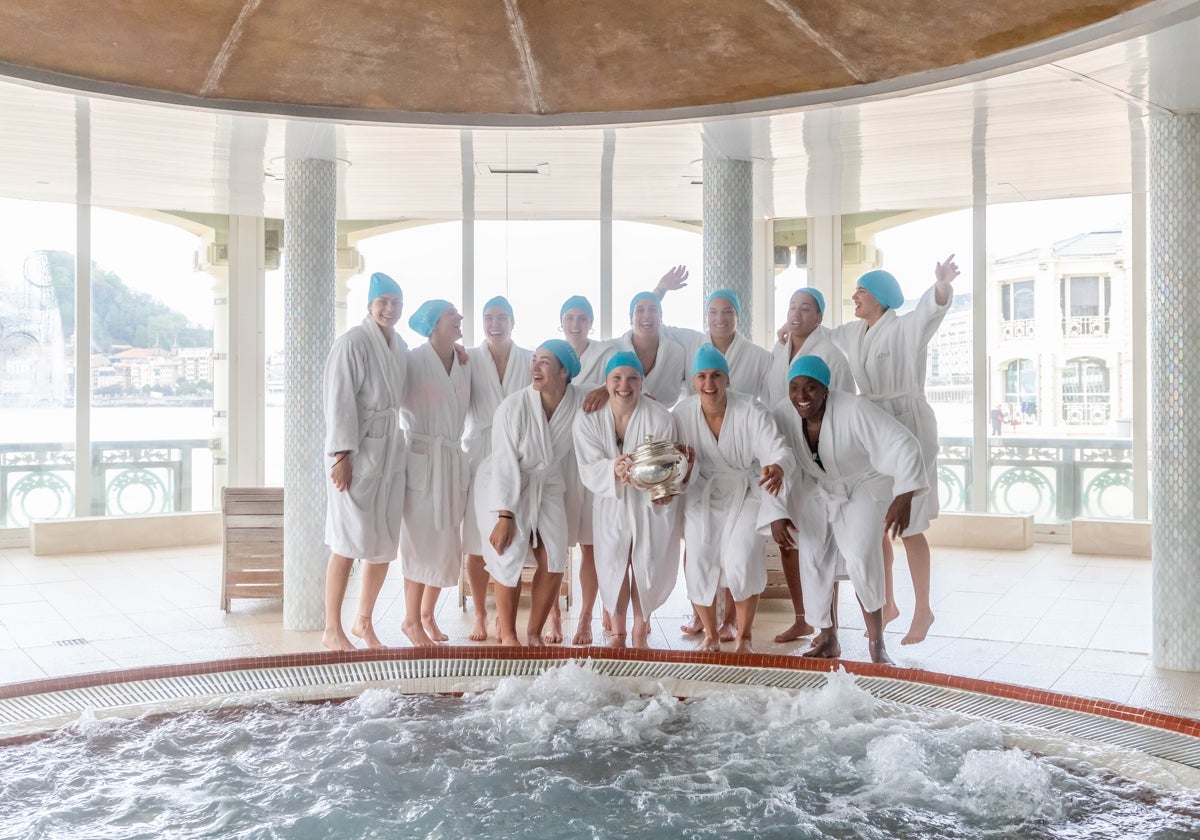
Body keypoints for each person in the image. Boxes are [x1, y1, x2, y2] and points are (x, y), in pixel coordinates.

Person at [825, 256, 959, 645]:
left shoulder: (904, 329)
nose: (854, 296)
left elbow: (930, 312)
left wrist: (942, 286)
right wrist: (790, 329)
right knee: (879, 521)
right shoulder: (856, 332)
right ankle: (888, 602)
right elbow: (825, 335)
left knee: (911, 525)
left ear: (880, 298)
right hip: (874, 431)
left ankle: (924, 609)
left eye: (861, 291)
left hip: (910, 426)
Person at [761, 355, 928, 664]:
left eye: (811, 387)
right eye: (795, 387)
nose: (802, 396)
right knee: (813, 558)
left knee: (863, 558)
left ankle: (877, 644)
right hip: (816, 488)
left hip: (859, 485)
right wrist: (776, 511)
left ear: (826, 388)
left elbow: (903, 443)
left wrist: (905, 494)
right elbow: (773, 459)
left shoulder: (854, 409)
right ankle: (827, 637)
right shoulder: (782, 414)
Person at [672, 344, 791, 653]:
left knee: (740, 557)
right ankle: (711, 635)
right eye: (701, 377)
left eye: (716, 376)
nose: (709, 384)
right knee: (699, 558)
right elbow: (670, 454)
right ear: (694, 380)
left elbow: (776, 447)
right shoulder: (682, 413)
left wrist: (778, 465)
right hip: (703, 491)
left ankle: (744, 635)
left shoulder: (751, 409)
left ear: (727, 379)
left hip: (747, 489)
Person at [572, 351, 691, 649]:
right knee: (614, 562)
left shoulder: (659, 416)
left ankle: (640, 629)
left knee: (645, 563)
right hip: (611, 501)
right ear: (606, 382)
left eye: (632, 378)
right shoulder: (588, 418)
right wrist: (612, 468)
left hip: (648, 503)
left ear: (641, 382)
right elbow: (587, 464)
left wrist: (656, 488)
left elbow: (668, 463)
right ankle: (618, 632)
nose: (624, 385)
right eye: (617, 378)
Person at [321, 272, 408, 651]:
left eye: (395, 302)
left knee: (383, 544)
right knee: (346, 542)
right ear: (369, 306)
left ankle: (364, 623)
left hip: (389, 453)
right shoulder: (352, 342)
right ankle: (331, 629)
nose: (389, 309)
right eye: (383, 302)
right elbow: (339, 400)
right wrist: (341, 455)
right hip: (357, 453)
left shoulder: (400, 346)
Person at [475, 340, 582, 645]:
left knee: (555, 556)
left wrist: (615, 392)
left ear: (564, 372)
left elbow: (613, 395)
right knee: (507, 552)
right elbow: (505, 462)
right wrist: (505, 515)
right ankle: (508, 633)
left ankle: (534, 632)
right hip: (501, 482)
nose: (534, 366)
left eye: (545, 362)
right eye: (534, 359)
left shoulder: (577, 399)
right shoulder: (513, 407)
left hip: (546, 483)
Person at [398, 299, 471, 647]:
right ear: (433, 325)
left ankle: (427, 615)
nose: (459, 318)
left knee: (443, 545)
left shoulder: (462, 360)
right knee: (418, 544)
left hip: (450, 459)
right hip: (423, 459)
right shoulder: (412, 360)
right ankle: (411, 621)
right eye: (451, 316)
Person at [461, 296, 534, 643]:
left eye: (502, 317)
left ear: (513, 322)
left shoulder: (531, 359)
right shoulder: (469, 359)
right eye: (488, 317)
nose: (495, 323)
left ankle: (518, 623)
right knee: (476, 543)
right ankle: (479, 614)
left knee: (514, 541)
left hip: (516, 456)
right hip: (480, 455)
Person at [558, 295, 613, 645]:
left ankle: (586, 619)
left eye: (582, 318)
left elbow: (628, 378)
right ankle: (552, 620)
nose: (576, 324)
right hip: (560, 459)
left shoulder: (605, 355)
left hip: (594, 457)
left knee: (592, 546)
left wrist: (607, 388)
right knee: (555, 545)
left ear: (591, 322)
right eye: (570, 318)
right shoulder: (551, 354)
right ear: (561, 322)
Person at [651, 266, 773, 400]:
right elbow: (651, 326)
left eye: (727, 312)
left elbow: (771, 402)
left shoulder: (761, 358)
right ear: (707, 316)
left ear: (738, 316)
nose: (720, 318)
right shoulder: (690, 343)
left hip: (743, 421)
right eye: (713, 312)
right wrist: (660, 289)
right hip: (695, 420)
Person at [618, 291, 687, 405]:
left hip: (662, 419)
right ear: (631, 318)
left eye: (653, 310)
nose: (647, 315)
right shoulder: (615, 349)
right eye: (640, 310)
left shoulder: (676, 353)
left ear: (661, 317)